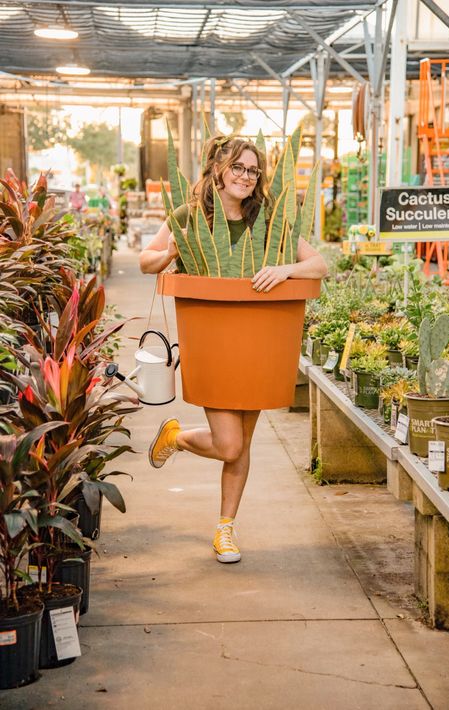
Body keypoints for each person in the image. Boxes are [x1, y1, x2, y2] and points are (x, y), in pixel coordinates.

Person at [139, 135, 328, 564]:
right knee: (229, 445)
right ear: (218, 172)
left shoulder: (266, 220)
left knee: (241, 444)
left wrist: (284, 270)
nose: (246, 176)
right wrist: (174, 248)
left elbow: (318, 265)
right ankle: (178, 437)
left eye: (253, 170)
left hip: (258, 343)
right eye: (238, 168)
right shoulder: (189, 217)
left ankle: (225, 530)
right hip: (214, 343)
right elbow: (145, 261)